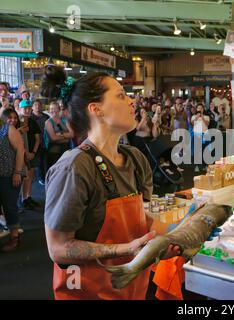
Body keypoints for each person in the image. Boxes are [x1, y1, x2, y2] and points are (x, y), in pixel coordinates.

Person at [40, 64, 182, 300]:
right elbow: (58, 248)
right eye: (120, 95)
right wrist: (125, 249)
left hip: (131, 289)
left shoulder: (136, 159)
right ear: (96, 109)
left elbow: (140, 215)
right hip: (90, 292)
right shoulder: (75, 167)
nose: (132, 101)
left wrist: (167, 239)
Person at [0, 114, 25, 251]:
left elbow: (20, 151)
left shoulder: (8, 129)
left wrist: (17, 172)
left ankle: (14, 238)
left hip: (8, 176)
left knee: (9, 207)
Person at [17, 99, 41, 210]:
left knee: (30, 177)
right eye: (24, 108)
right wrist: (25, 153)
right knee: (22, 177)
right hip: (20, 155)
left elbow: (37, 139)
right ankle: (21, 199)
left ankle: (28, 197)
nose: (27, 110)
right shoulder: (15, 121)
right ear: (19, 109)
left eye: (28, 108)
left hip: (32, 153)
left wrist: (33, 152)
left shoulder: (33, 122)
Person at [44, 101, 73, 170]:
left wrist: (60, 134)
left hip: (66, 150)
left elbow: (72, 134)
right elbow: (53, 138)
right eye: (51, 109)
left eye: (55, 108)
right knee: (55, 171)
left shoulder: (65, 120)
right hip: (54, 152)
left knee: (66, 170)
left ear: (59, 109)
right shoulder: (48, 122)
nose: (53, 110)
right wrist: (66, 136)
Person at [31, 100, 50, 184]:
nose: (37, 106)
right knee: (39, 162)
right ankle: (42, 178)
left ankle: (48, 177)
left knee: (47, 161)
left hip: (46, 141)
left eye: (39, 105)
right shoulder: (31, 118)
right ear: (32, 107)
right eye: (35, 105)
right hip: (36, 143)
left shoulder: (46, 116)